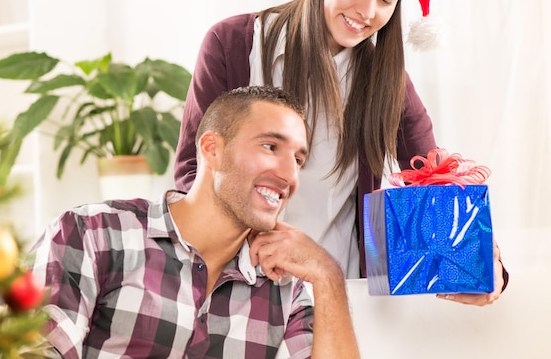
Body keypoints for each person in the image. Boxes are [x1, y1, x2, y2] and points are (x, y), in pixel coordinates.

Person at [174, 0, 508, 305]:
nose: (367, 12)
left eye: (387, 0)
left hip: (337, 294)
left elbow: (432, 183)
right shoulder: (233, 45)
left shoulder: (389, 82)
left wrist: (480, 267)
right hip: (240, 284)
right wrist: (256, 239)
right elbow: (192, 171)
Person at [29, 86, 361, 358]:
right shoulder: (92, 234)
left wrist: (327, 274)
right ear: (212, 149)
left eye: (298, 160)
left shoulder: (286, 287)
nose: (290, 175)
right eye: (270, 146)